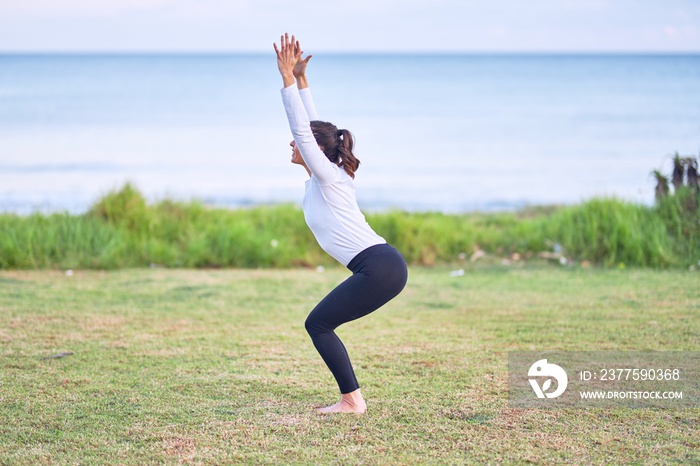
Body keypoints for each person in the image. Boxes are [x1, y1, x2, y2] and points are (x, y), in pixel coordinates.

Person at [273, 33, 408, 414]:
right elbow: (312, 128)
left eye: (296, 142)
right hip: (382, 265)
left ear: (315, 150)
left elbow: (305, 130)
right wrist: (301, 80)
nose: (291, 145)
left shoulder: (330, 177)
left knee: (317, 324)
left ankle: (352, 401)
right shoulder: (329, 175)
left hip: (378, 266)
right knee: (319, 324)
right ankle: (351, 399)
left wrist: (285, 80)